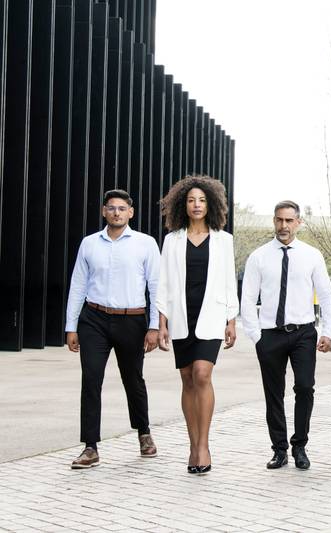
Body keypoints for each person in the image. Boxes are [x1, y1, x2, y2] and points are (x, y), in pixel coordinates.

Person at [65, 189, 160, 469]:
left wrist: (154, 326)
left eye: (122, 208)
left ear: (131, 212)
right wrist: (72, 326)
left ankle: (143, 432)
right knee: (91, 380)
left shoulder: (145, 244)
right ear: (104, 211)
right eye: (111, 208)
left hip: (132, 320)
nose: (116, 212)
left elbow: (155, 287)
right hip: (93, 319)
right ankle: (90, 447)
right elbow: (78, 286)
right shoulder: (89, 244)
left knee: (133, 379)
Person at [240, 200, 331, 471]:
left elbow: (327, 296)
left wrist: (327, 331)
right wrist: (256, 336)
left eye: (289, 221)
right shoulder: (259, 256)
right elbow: (247, 299)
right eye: (279, 220)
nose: (283, 226)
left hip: (303, 332)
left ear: (298, 223)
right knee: (274, 394)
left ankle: (300, 445)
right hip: (270, 334)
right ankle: (279, 449)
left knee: (305, 387)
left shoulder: (312, 255)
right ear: (274, 221)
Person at [155, 176, 238, 475]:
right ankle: (192, 444)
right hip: (181, 316)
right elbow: (163, 283)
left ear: (211, 204)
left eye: (202, 200)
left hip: (212, 317)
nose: (196, 205)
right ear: (183, 205)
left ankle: (203, 446)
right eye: (191, 200)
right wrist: (161, 321)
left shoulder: (223, 240)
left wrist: (231, 319)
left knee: (202, 374)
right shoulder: (172, 240)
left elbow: (230, 282)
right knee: (187, 378)